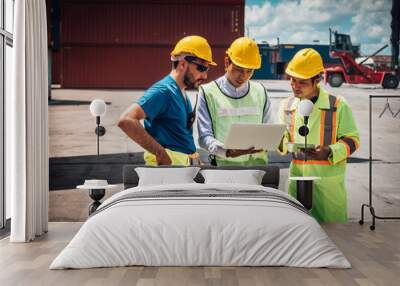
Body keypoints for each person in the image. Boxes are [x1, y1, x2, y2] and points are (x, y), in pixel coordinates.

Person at [278, 48, 360, 222]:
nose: (295, 86)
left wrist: (329, 151)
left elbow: (353, 141)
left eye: (302, 82)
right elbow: (283, 140)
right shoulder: (286, 106)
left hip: (328, 188)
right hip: (297, 184)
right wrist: (278, 141)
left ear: (317, 80)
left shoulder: (338, 105)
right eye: (292, 80)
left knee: (334, 238)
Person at [118, 35, 216, 166]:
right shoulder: (164, 91)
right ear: (182, 64)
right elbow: (126, 120)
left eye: (207, 69)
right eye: (201, 68)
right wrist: (160, 154)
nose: (205, 75)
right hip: (168, 173)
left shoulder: (181, 92)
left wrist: (193, 158)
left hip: (181, 170)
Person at [197, 37, 273, 166]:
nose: (244, 76)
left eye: (249, 71)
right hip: (224, 170)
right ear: (227, 62)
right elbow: (204, 137)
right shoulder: (208, 92)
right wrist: (226, 151)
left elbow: (269, 130)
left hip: (257, 169)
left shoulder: (260, 91)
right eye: (239, 69)